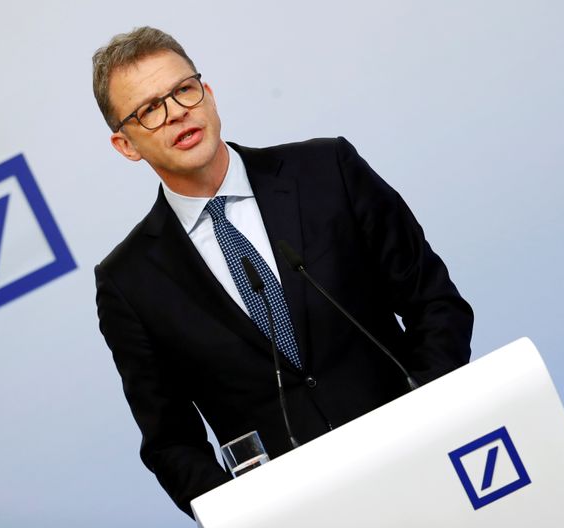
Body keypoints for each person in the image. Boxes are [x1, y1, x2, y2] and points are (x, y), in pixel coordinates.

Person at [91, 26, 473, 518]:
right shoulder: (129, 282)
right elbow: (171, 442)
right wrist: (246, 514)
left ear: (208, 93)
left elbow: (434, 303)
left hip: (428, 466)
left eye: (183, 90)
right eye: (149, 109)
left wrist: (426, 416)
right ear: (126, 145)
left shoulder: (326, 170)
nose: (177, 113)